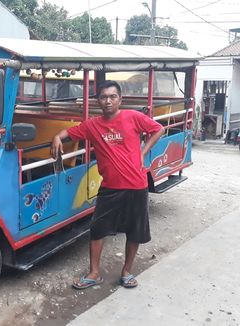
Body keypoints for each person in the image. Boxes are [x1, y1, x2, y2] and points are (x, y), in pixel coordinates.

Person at [50, 80, 165, 289]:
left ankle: (127, 271)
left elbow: (158, 129)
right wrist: (57, 136)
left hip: (136, 185)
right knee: (98, 229)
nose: (108, 101)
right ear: (98, 101)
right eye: (103, 97)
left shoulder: (133, 117)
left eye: (112, 97)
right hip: (110, 187)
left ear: (120, 99)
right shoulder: (93, 125)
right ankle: (94, 273)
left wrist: (143, 152)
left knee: (135, 231)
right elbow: (71, 132)